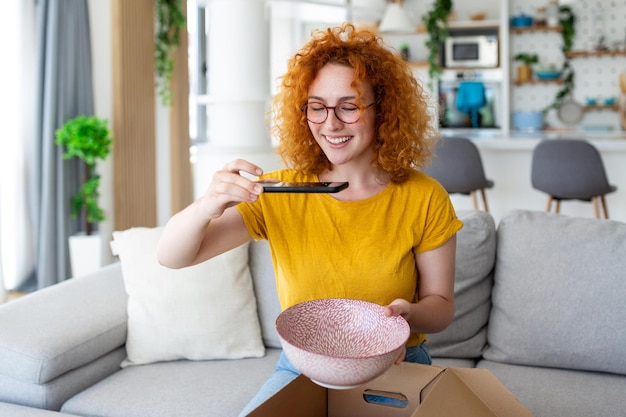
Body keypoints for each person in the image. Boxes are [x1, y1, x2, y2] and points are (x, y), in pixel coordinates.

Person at [157, 23, 463, 416]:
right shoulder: (279, 191)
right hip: (304, 366)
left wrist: (409, 314)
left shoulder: (424, 197)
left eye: (348, 106)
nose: (330, 123)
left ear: (383, 110)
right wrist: (207, 205)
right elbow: (172, 256)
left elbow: (440, 307)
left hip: (395, 364)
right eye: (317, 106)